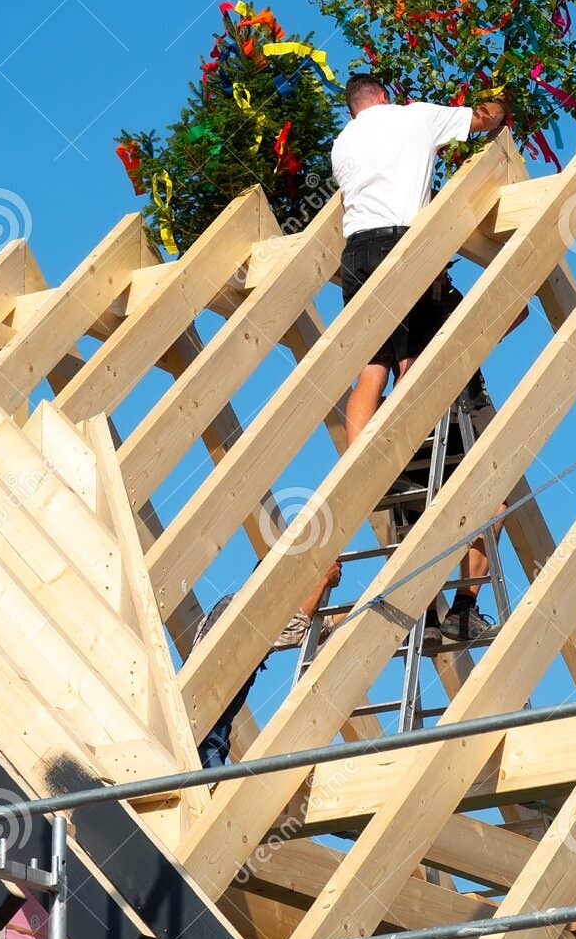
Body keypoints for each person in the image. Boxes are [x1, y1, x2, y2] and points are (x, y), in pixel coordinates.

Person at [332, 74, 510, 644]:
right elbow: (483, 120)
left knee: (374, 360)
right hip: (403, 245)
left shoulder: (343, 144)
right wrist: (503, 91)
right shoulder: (414, 116)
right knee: (417, 353)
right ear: (383, 96)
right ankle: (462, 607)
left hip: (356, 252)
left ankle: (363, 458)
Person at [193, 562, 341, 770]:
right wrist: (323, 581)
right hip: (201, 726)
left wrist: (372, 600)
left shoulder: (243, 609)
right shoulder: (242, 609)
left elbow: (318, 629)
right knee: (206, 778)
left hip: (210, 728)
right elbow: (296, 629)